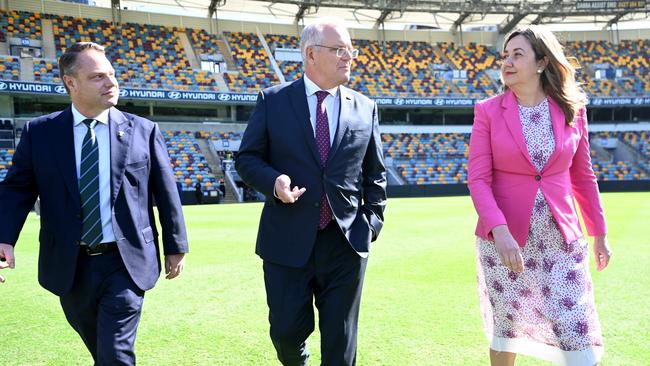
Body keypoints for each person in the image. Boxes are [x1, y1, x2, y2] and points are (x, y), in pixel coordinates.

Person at [0, 42, 188, 365]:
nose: (111, 82)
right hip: (70, 266)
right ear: (70, 83)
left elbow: (166, 190)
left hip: (125, 262)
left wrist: (175, 244)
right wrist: (3, 237)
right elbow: (17, 189)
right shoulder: (40, 134)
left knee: (114, 355)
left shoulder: (144, 130)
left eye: (112, 74)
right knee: (102, 351)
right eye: (98, 77)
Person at [236, 18, 386, 366]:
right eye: (339, 50)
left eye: (351, 50)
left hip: (345, 242)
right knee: (286, 332)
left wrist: (371, 224)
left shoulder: (365, 107)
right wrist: (274, 183)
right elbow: (247, 158)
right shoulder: (273, 102)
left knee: (341, 340)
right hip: (287, 239)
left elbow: (375, 176)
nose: (348, 57)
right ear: (310, 54)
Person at [467, 26, 612, 366]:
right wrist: (499, 232)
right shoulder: (487, 111)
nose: (508, 62)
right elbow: (478, 179)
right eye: (506, 55)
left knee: (574, 326)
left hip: (560, 238)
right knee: (507, 330)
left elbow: (583, 176)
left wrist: (599, 234)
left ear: (542, 62)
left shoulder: (572, 111)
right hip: (505, 241)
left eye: (518, 54)